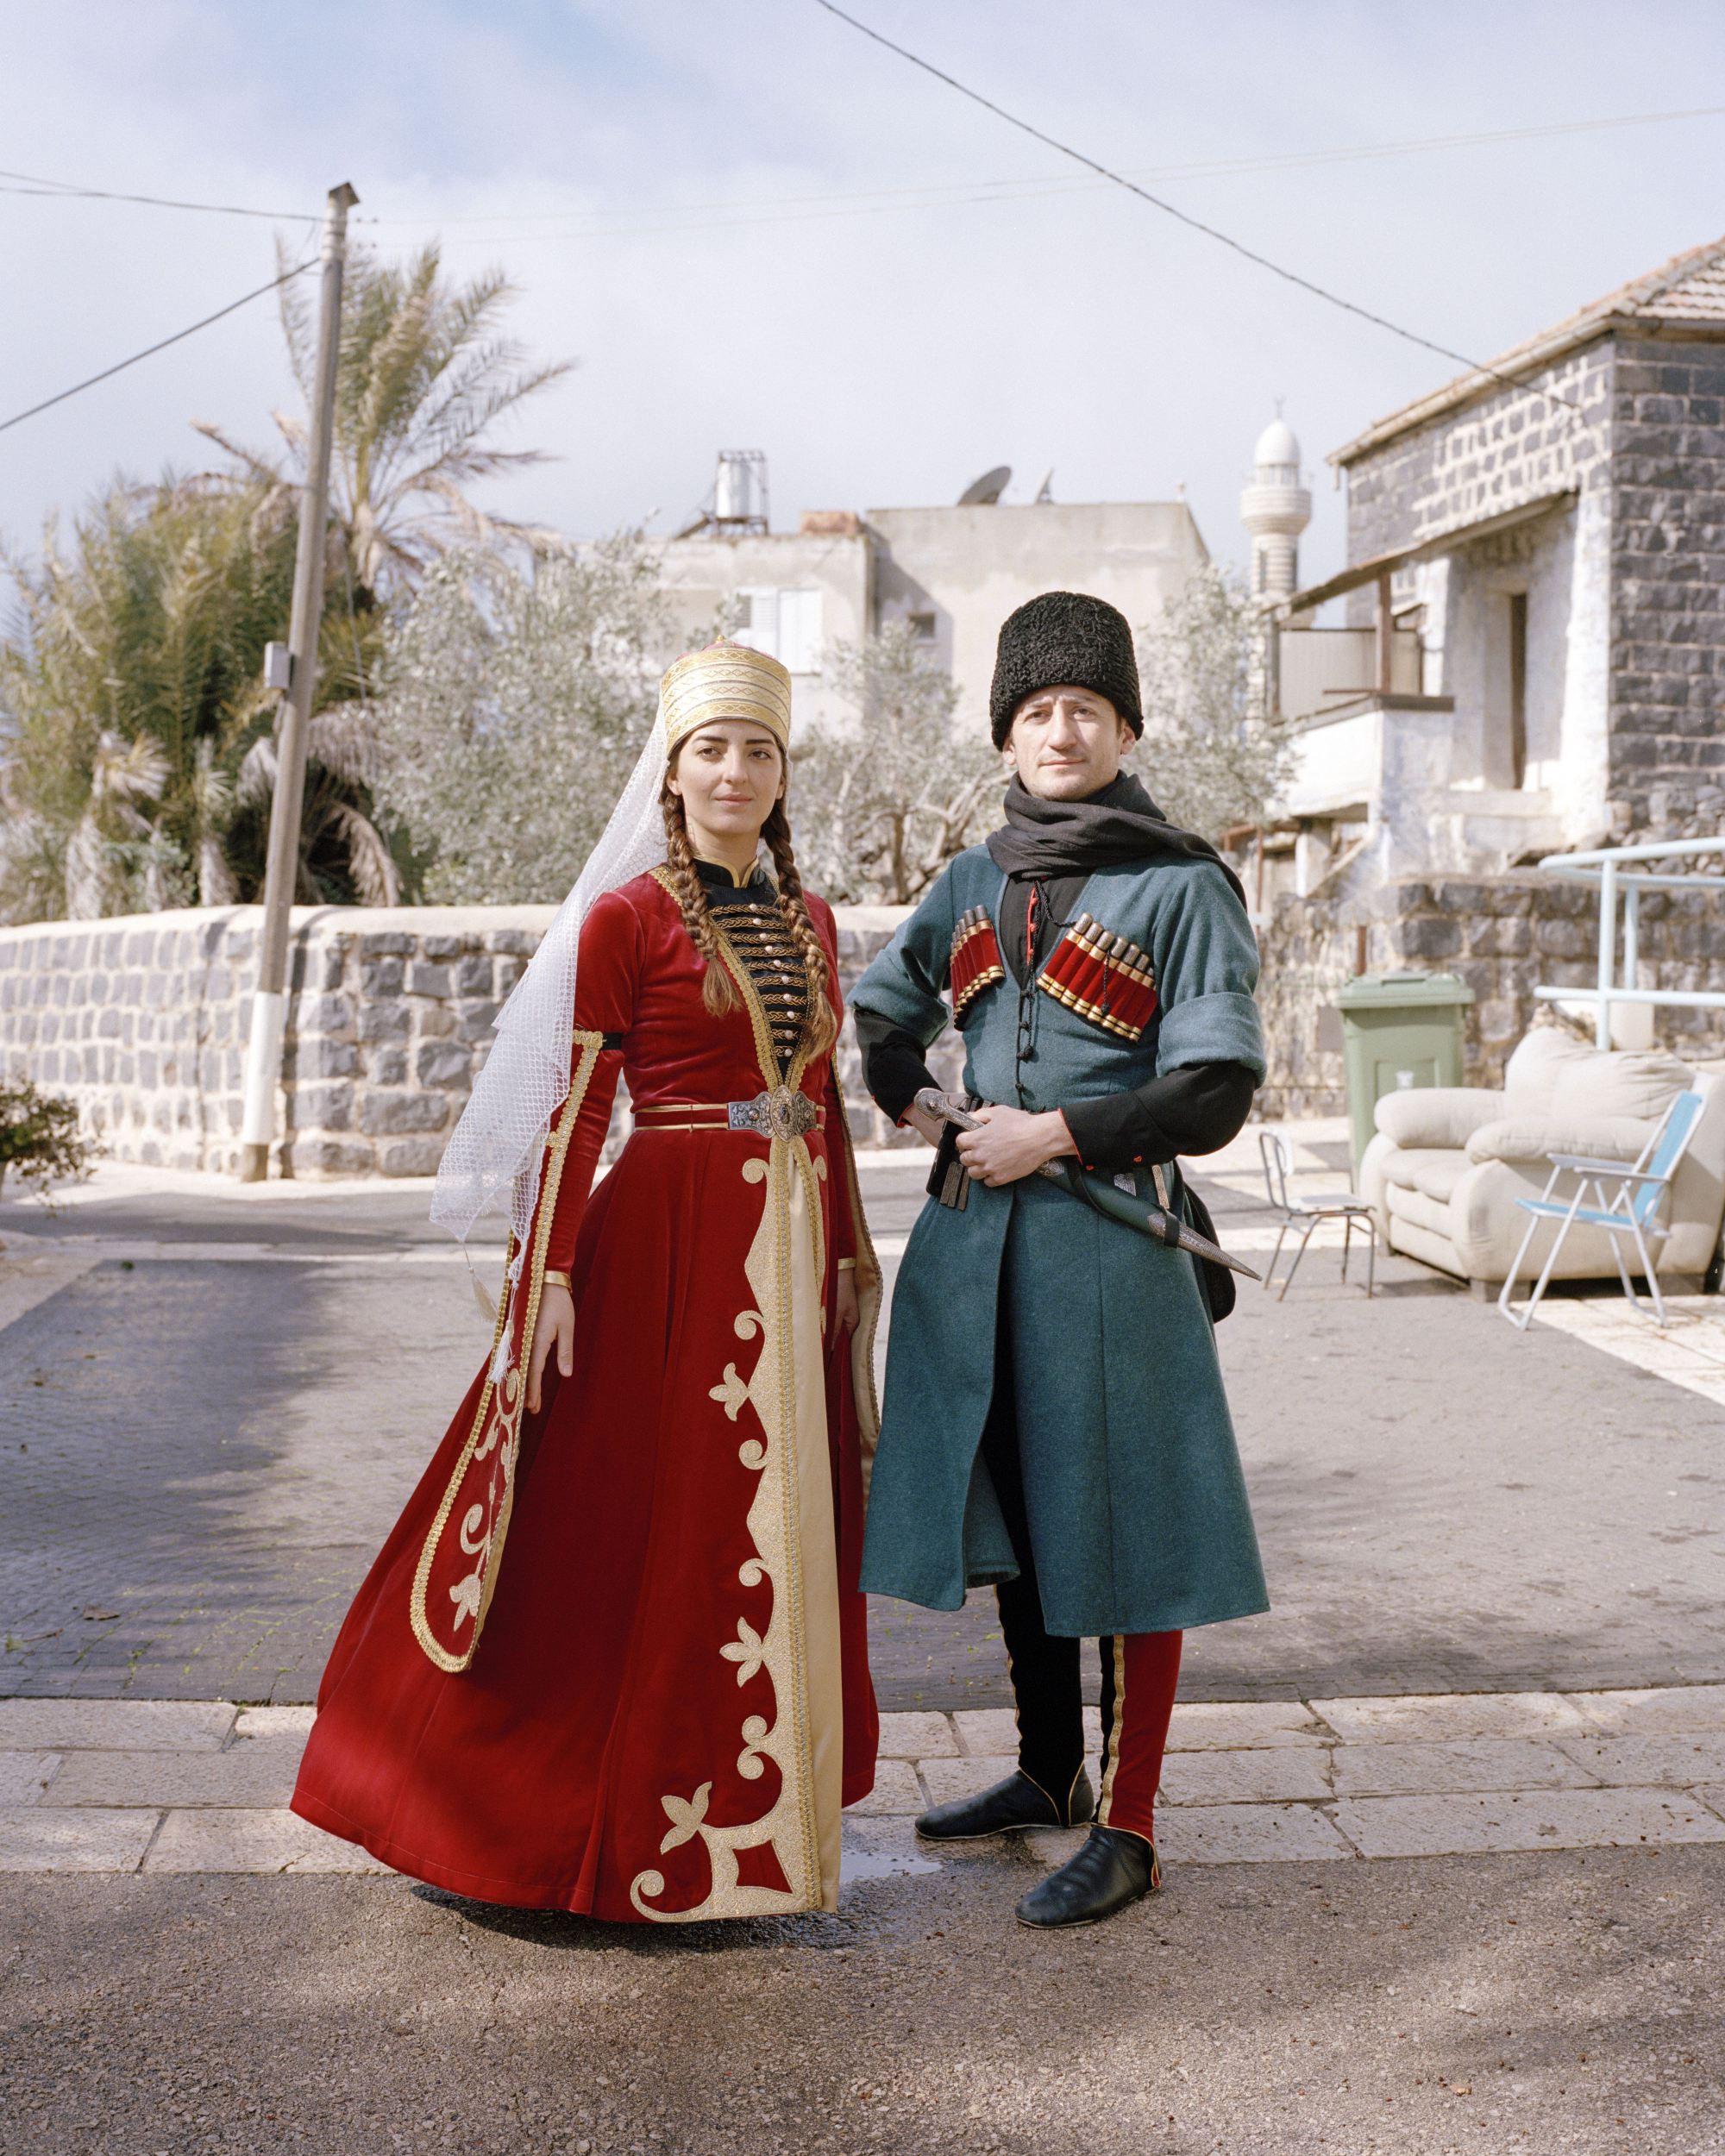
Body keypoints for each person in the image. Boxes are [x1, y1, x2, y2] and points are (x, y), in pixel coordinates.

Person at [292, 639, 881, 1921]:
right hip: (664, 1246)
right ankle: (571, 1823)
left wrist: (848, 1254)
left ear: (785, 775)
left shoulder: (815, 924)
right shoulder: (628, 919)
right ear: (672, 772)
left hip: (787, 1259)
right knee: (635, 1518)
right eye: (712, 750)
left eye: (761, 751)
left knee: (754, 1526)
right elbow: (577, 1105)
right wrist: (549, 1274)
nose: (736, 772)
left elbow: (821, 1102)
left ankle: (749, 1817)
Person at [848, 590, 1267, 1929]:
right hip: (977, 1257)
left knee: (1133, 1529)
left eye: (1087, 708)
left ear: (1126, 729)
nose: (1062, 731)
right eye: (1037, 710)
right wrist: (931, 1109)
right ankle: (1048, 1770)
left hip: (1116, 1254)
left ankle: (1129, 1825)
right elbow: (882, 1017)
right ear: (1006, 736)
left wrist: (1058, 1133)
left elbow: (1214, 1089)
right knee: (1021, 1516)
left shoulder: (1183, 884)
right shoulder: (971, 880)